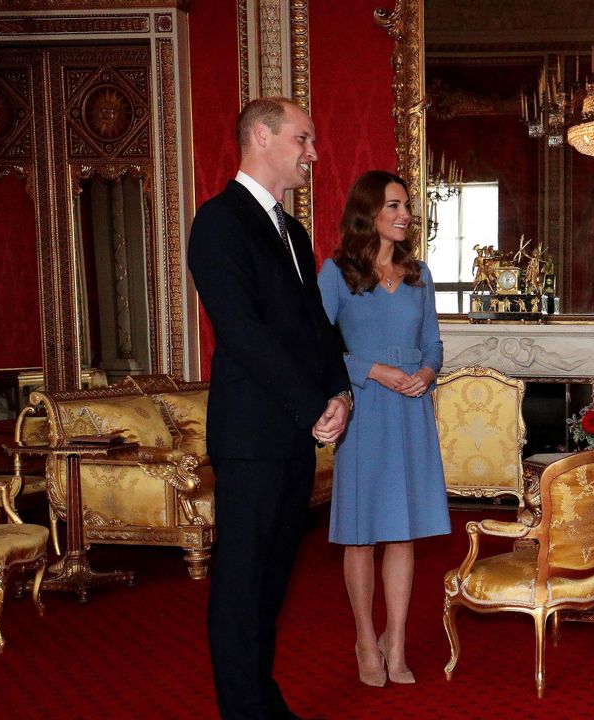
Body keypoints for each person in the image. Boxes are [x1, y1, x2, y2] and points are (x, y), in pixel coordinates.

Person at [188, 96, 352, 720]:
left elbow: (315, 324)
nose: (313, 153)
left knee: (273, 583)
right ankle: (243, 708)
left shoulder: (293, 229)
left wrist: (339, 392)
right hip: (252, 436)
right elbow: (241, 331)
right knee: (240, 583)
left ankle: (261, 698)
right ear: (261, 136)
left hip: (292, 434)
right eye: (303, 139)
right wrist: (312, 404)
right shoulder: (219, 221)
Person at [317, 170, 450, 688]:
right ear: (368, 210)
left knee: (402, 531)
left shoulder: (419, 275)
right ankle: (364, 640)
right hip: (365, 409)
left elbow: (434, 345)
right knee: (361, 533)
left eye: (407, 207)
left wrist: (423, 374)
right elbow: (321, 348)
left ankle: (396, 641)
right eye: (393, 205)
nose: (404, 215)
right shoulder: (337, 273)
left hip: (411, 411)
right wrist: (373, 371)